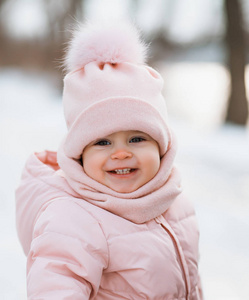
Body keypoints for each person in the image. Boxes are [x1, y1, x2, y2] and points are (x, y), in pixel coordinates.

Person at [16, 21, 203, 299]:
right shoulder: (72, 219)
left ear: (162, 146)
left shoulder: (172, 201)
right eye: (102, 142)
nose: (120, 153)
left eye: (136, 139)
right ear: (79, 155)